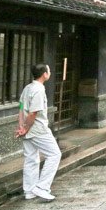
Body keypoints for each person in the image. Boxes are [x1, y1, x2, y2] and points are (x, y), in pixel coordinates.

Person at [17, 63, 61, 201]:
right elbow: (33, 113)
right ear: (45, 74)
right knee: (54, 154)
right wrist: (26, 127)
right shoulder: (38, 90)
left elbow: (21, 108)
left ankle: (29, 191)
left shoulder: (27, 88)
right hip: (38, 128)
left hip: (27, 127)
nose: (50, 72)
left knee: (31, 158)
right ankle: (42, 187)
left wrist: (21, 127)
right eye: (49, 70)